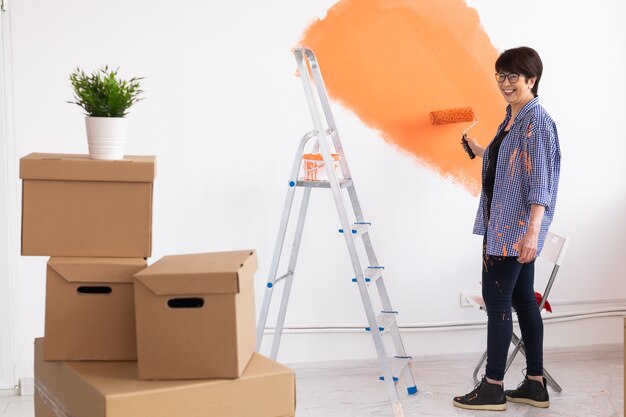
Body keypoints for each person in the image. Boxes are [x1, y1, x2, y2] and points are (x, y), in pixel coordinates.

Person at [453, 46, 561, 411]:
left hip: (513, 231)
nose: (505, 83)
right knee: (521, 302)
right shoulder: (513, 117)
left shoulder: (537, 121)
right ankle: (535, 384)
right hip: (504, 225)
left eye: (513, 76)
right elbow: (511, 161)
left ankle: (493, 387)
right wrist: (482, 149)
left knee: (498, 302)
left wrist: (532, 233)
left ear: (532, 79)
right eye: (500, 75)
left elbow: (541, 182)